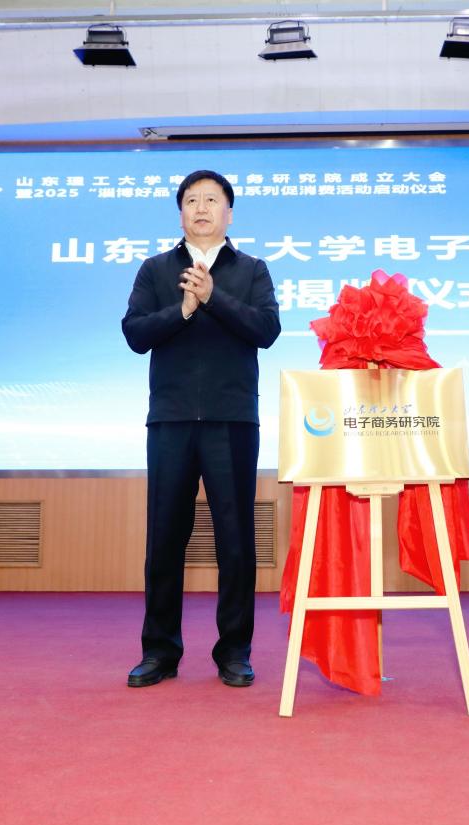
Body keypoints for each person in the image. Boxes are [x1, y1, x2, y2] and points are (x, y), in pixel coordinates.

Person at [122, 170, 281, 688]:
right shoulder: (155, 269)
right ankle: (159, 652)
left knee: (235, 540)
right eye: (192, 200)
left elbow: (267, 330)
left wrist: (214, 298)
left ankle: (234, 651)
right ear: (181, 214)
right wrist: (183, 309)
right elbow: (135, 334)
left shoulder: (252, 270)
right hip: (170, 420)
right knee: (165, 538)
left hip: (232, 420)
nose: (202, 208)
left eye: (212, 200)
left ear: (229, 213)